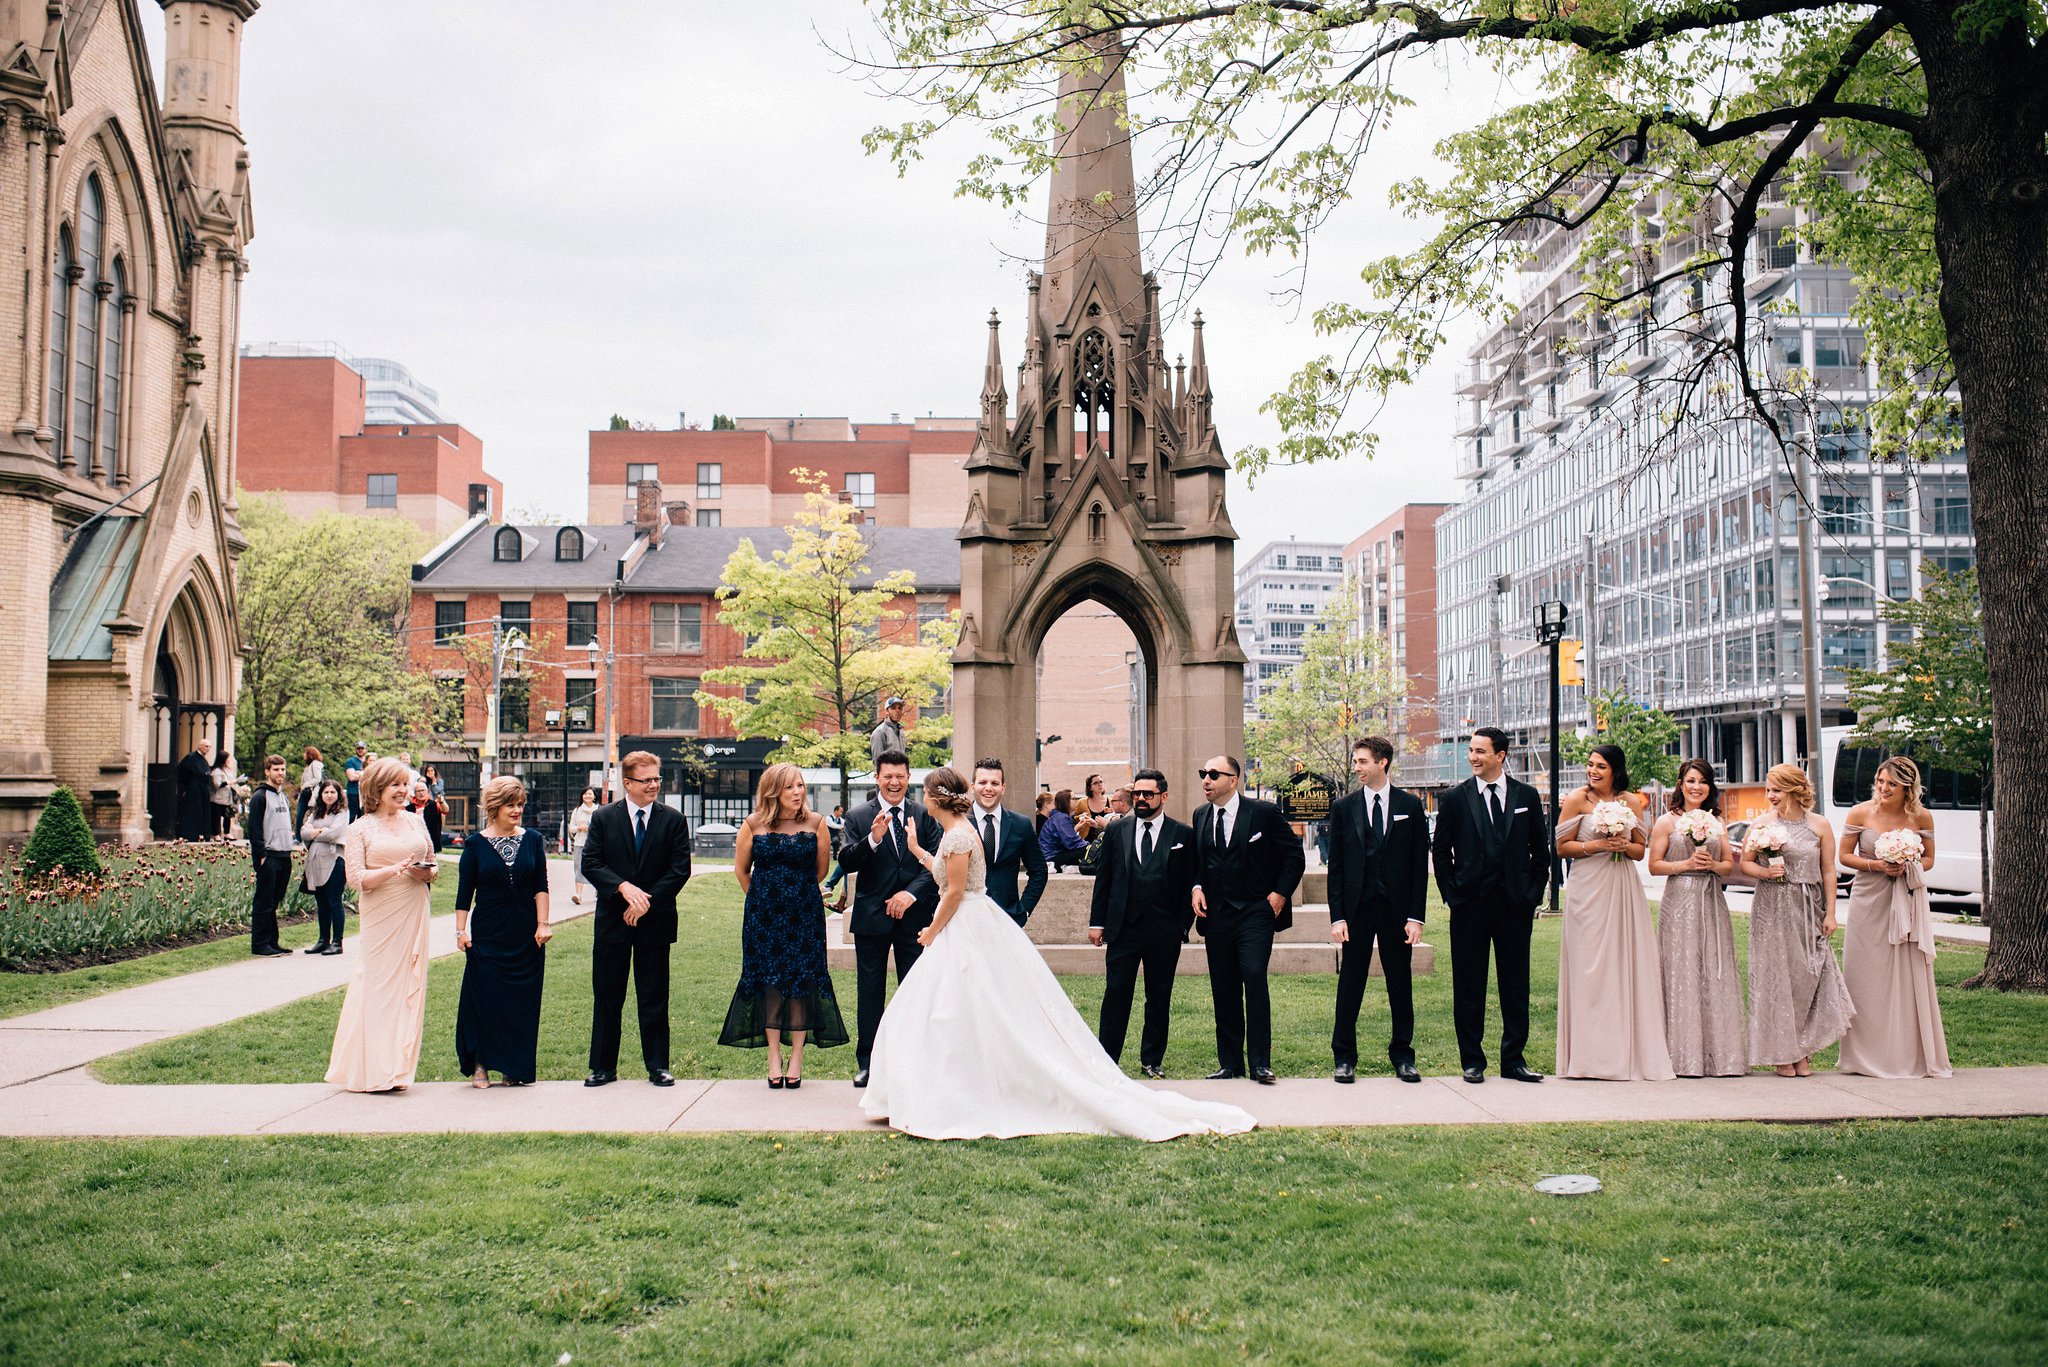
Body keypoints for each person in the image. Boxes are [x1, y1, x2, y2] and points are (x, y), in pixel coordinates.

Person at [861, 767, 1256, 1141]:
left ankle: (969, 1088)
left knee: (963, 1006)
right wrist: (917, 850)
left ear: (935, 798)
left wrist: (932, 929)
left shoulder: (959, 835)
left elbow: (954, 892)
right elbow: (947, 877)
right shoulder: (959, 832)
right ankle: (954, 1083)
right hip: (970, 923)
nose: (923, 800)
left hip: (965, 925)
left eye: (926, 794)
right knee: (952, 1007)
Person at [1431, 728, 1552, 1084]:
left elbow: (1540, 853)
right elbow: (1440, 851)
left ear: (1500, 756)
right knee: (1468, 985)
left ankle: (1513, 1060)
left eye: (1480, 751)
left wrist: (1532, 893)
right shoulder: (1454, 798)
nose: (1473, 757)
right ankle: (1472, 1060)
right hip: (1469, 906)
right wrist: (1452, 893)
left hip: (1515, 906)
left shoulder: (1526, 795)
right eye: (1471, 750)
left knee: (1516, 985)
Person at [719, 763, 847, 1085]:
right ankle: (774, 1055)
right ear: (774, 790)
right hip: (764, 921)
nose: (797, 792)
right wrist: (763, 898)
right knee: (770, 983)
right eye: (790, 787)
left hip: (804, 918)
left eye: (800, 786)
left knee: (801, 983)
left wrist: (795, 896)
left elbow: (820, 871)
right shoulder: (752, 824)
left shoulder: (817, 823)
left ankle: (798, 1057)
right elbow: (741, 870)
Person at [1554, 745, 1675, 1081]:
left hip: (1620, 887)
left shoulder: (1631, 802)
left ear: (1615, 770)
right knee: (1587, 967)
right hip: (1586, 888)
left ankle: (1622, 1051)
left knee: (1619, 965)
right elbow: (1560, 847)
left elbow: (1640, 850)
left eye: (1601, 767)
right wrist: (1596, 845)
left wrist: (1623, 846)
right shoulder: (1577, 800)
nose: (1593, 772)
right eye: (1590, 765)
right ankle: (1588, 1056)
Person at [580, 751, 692, 1087]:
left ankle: (658, 1065)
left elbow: (679, 870)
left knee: (654, 996)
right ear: (627, 783)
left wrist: (646, 902)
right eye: (646, 780)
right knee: (608, 995)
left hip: (654, 922)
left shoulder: (673, 819)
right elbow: (592, 864)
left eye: (657, 778)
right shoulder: (603, 818)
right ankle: (603, 1067)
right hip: (613, 921)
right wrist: (624, 888)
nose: (654, 785)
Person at [1191, 754, 1305, 1085]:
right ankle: (1230, 1063)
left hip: (1255, 911)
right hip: (1216, 916)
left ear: (1233, 780)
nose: (1206, 780)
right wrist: (1196, 886)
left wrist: (1279, 894)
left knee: (1254, 977)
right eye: (1203, 773)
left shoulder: (1264, 813)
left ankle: (1260, 1064)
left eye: (1213, 774)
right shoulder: (1201, 816)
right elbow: (1199, 862)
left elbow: (1293, 856)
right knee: (1223, 988)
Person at [325, 757, 437, 1092]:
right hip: (381, 913)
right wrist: (395, 870)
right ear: (377, 789)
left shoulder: (415, 822)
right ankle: (372, 1070)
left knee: (408, 988)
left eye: (405, 784)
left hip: (414, 906)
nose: (403, 791)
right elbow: (355, 879)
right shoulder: (360, 828)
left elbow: (432, 866)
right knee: (378, 987)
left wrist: (424, 872)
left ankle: (398, 1069)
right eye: (395, 785)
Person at [1837, 756, 1951, 1078]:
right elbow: (1843, 856)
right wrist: (1877, 864)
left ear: (1907, 788)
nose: (1884, 788)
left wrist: (1909, 862)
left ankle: (1905, 1052)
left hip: (1907, 898)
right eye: (1880, 781)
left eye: (1892, 784)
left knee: (1905, 970)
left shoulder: (1922, 816)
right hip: (1867, 900)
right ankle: (1862, 1056)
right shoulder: (1860, 812)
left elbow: (1929, 859)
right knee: (1864, 974)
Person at [1326, 737, 1430, 1084]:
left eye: (1363, 761)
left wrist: (1416, 917)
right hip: (1356, 911)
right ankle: (1344, 1057)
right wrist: (1337, 916)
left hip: (1397, 912)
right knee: (1350, 983)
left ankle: (1403, 1056)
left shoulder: (1410, 807)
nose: (1357, 767)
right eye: (1355, 761)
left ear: (1382, 762)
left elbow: (1418, 867)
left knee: (1400, 983)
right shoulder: (1344, 807)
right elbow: (1336, 868)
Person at [1740, 763, 1854, 1078]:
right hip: (1772, 907)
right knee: (1777, 979)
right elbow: (1744, 863)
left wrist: (1831, 912)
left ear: (1793, 789)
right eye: (1768, 790)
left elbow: (1829, 870)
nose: (1770, 796)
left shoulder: (1819, 825)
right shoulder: (1761, 825)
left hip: (1808, 907)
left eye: (1775, 789)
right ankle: (1782, 1053)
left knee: (1808, 978)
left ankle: (1802, 1047)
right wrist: (1764, 872)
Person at [838, 749, 940, 1087]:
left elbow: (937, 863)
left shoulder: (925, 816)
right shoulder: (856, 816)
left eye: (900, 776)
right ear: (877, 778)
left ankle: (917, 1060)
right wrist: (873, 839)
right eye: (887, 776)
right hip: (872, 918)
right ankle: (868, 1063)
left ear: (909, 777)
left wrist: (909, 895)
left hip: (915, 918)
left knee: (915, 990)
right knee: (870, 992)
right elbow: (847, 861)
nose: (894, 782)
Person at [1088, 768, 1194, 1078]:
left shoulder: (1182, 835)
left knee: (1159, 996)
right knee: (1116, 993)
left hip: (1164, 929)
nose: (1141, 799)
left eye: (1148, 794)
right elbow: (1103, 879)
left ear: (1163, 796)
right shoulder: (1117, 831)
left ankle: (1151, 1060)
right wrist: (1098, 922)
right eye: (1137, 794)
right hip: (1124, 927)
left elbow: (1191, 881)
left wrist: (1181, 925)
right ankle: (1107, 1061)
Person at [1645, 759, 1746, 1077]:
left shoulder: (1717, 821)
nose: (1696, 786)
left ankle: (1719, 1056)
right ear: (1680, 783)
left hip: (1711, 898)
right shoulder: (1665, 821)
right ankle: (1682, 1056)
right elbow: (1654, 865)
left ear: (1709, 786)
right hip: (1680, 899)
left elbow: (1729, 864)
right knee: (1682, 969)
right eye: (1690, 780)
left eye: (1702, 781)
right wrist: (1686, 864)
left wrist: (1712, 866)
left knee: (1713, 970)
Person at [454, 776, 553, 1088]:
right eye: (511, 804)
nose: (517, 810)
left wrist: (543, 923)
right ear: (494, 807)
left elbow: (541, 886)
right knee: (486, 998)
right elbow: (463, 892)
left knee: (521, 1001)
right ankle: (481, 1064)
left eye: (520, 804)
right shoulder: (474, 845)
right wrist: (460, 931)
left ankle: (515, 1066)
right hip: (489, 933)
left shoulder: (534, 840)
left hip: (526, 934)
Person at [970, 757, 1048, 927]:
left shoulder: (1021, 824)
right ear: (972, 786)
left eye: (995, 783)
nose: (988, 788)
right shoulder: (957, 823)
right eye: (982, 782)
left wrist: (1024, 910)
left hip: (1008, 919)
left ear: (1003, 788)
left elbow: (1039, 871)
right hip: (966, 919)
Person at [245, 754, 296, 956]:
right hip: (269, 854)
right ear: (267, 771)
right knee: (264, 901)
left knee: (274, 901)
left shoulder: (282, 795)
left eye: (283, 769)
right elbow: (254, 828)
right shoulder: (260, 796)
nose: (280, 773)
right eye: (276, 770)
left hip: (284, 853)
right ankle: (259, 944)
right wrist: (261, 854)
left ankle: (272, 941)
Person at [299, 778, 350, 956]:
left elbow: (335, 833)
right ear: (321, 794)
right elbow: (303, 831)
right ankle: (323, 940)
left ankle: (337, 942)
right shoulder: (316, 813)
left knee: (334, 901)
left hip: (334, 859)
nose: (329, 795)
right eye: (326, 792)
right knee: (321, 902)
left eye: (332, 792)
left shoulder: (342, 812)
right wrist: (321, 832)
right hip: (316, 861)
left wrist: (315, 833)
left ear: (338, 794)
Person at [1038, 787, 1089, 871]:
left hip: (1053, 855)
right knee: (1089, 850)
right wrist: (1090, 846)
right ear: (1066, 801)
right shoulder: (1061, 818)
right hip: (1052, 858)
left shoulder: (1059, 816)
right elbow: (1072, 842)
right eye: (1074, 798)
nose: (1076, 801)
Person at [175, 738, 214, 841]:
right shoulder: (191, 757)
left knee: (203, 811)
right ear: (200, 746)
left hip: (203, 789)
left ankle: (203, 833)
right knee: (194, 811)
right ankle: (191, 834)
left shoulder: (203, 759)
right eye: (206, 746)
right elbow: (183, 771)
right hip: (194, 789)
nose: (208, 749)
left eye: (209, 747)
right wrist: (187, 785)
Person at [567, 787, 599, 905]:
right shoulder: (577, 810)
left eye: (590, 794)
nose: (587, 796)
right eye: (585, 794)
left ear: (594, 796)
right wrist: (580, 828)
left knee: (597, 867)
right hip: (580, 842)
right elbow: (571, 828)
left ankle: (598, 892)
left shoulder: (599, 810)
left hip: (596, 844)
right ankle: (578, 895)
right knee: (578, 867)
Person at [821, 803, 850, 913]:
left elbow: (844, 824)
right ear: (836, 811)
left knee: (847, 862)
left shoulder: (840, 819)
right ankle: (839, 902)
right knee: (836, 842)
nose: (841, 813)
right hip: (830, 836)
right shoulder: (828, 818)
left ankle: (830, 888)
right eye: (840, 811)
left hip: (835, 837)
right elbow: (834, 826)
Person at [869, 695, 907, 769]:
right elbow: (877, 762)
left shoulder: (901, 732)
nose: (897, 711)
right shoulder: (880, 731)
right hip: (887, 778)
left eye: (900, 708)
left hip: (900, 776)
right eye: (893, 708)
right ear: (886, 712)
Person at [209, 748, 239, 839]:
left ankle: (227, 833)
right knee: (216, 817)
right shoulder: (216, 771)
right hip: (218, 798)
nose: (228, 761)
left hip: (227, 797)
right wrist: (229, 783)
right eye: (227, 759)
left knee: (227, 816)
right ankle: (215, 834)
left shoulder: (227, 770)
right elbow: (217, 784)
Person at [420, 763, 449, 851]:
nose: (430, 772)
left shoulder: (439, 781)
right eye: (428, 771)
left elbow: (437, 791)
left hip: (437, 804)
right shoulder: (424, 781)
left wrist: (433, 781)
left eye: (432, 771)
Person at [297, 745, 325, 828]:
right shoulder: (307, 766)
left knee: (312, 815)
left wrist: (305, 785)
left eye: (305, 753)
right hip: (305, 793)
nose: (303, 755)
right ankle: (298, 837)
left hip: (311, 793)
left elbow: (317, 778)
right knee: (300, 815)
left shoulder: (315, 764)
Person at [343, 741, 366, 819]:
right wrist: (365, 774)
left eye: (362, 748)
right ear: (355, 750)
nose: (360, 750)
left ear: (365, 749)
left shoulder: (368, 761)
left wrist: (359, 773)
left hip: (365, 793)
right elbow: (351, 777)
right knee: (352, 816)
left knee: (363, 816)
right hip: (354, 792)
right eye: (358, 748)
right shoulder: (351, 761)